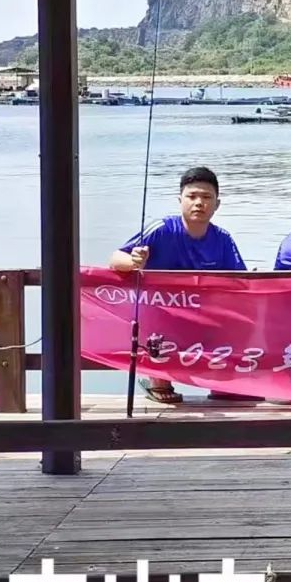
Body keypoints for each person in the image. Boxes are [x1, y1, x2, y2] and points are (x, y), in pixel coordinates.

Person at [109, 166, 247, 404]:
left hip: (207, 316)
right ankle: (157, 380)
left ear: (217, 204)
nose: (199, 203)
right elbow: (115, 259)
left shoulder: (223, 239)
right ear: (180, 200)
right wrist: (133, 262)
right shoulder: (162, 229)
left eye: (206, 197)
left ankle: (221, 382)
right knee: (162, 373)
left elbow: (240, 281)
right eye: (192, 196)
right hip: (162, 316)